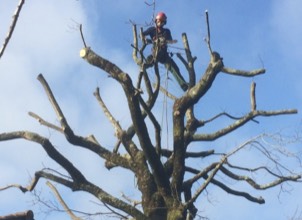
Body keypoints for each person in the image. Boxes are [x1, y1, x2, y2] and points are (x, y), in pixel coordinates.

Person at [142, 12, 188, 91]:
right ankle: (144, 66)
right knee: (149, 60)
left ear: (164, 23)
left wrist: (167, 41)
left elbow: (170, 41)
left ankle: (184, 85)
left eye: (162, 22)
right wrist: (146, 39)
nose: (160, 23)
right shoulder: (152, 30)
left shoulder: (166, 31)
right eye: (159, 21)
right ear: (156, 21)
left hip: (164, 54)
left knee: (174, 68)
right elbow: (141, 34)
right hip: (155, 52)